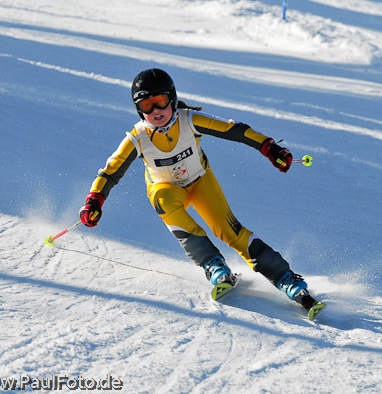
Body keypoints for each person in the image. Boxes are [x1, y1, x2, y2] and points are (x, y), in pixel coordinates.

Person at [79, 68, 325, 320]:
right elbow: (110, 172)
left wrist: (269, 147)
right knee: (163, 201)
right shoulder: (137, 138)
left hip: (200, 182)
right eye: (146, 105)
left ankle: (286, 279)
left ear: (172, 99)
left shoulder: (189, 120)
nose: (155, 111)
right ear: (138, 109)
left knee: (231, 233)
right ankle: (213, 265)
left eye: (160, 102)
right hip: (166, 190)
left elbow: (235, 130)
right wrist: (94, 201)